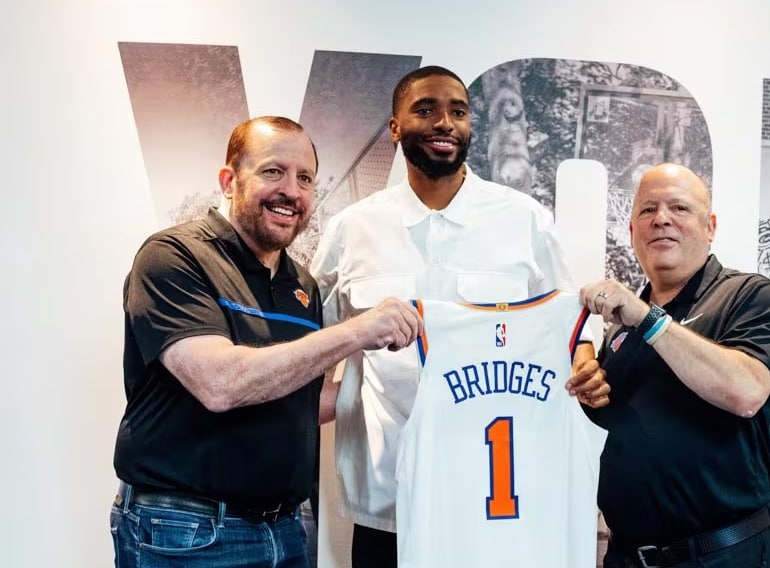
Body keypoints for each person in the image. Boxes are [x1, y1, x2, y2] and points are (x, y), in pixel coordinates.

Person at [310, 66, 610, 568]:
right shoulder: (351, 228)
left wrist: (583, 360)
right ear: (394, 127)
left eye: (458, 111)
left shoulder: (524, 219)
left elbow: (574, 322)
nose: (444, 122)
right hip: (387, 498)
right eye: (425, 109)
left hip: (496, 500)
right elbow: (309, 336)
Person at [110, 116, 422, 568]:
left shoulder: (303, 285)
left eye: (305, 178)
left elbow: (304, 402)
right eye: (273, 172)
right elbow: (221, 384)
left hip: (288, 530)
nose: (291, 191)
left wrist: (411, 383)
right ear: (229, 180)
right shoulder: (173, 257)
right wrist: (357, 332)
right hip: (187, 533)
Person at [580, 163, 770, 567]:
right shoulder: (618, 330)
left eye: (679, 208)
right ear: (632, 232)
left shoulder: (749, 295)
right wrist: (588, 388)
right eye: (647, 210)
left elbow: (747, 391)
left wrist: (646, 319)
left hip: (723, 555)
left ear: (710, 226)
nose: (661, 218)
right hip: (626, 556)